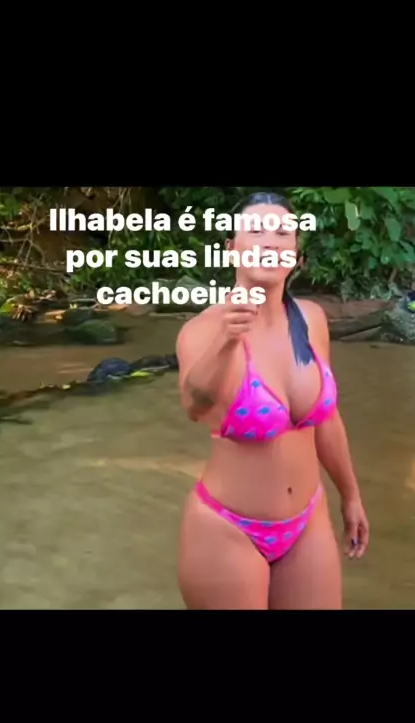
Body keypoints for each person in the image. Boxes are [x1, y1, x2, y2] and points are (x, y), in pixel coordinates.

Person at [176, 192, 369, 610]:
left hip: (307, 521)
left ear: (295, 255)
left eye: (283, 233)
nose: (270, 241)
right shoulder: (202, 330)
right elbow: (194, 406)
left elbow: (326, 419)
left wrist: (350, 495)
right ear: (231, 249)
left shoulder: (312, 320)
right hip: (226, 529)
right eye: (256, 230)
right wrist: (226, 341)